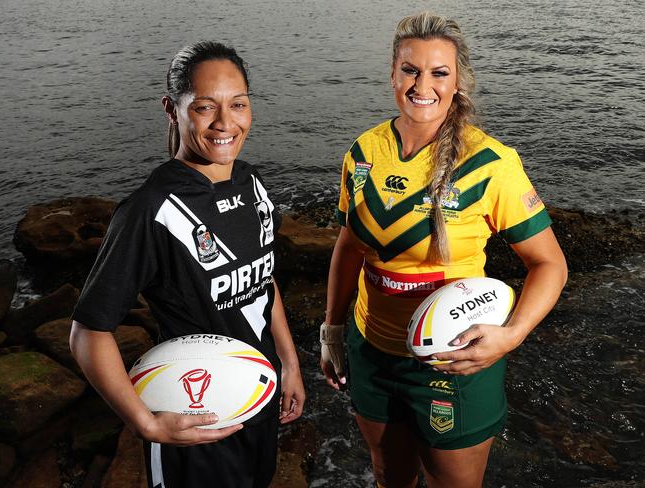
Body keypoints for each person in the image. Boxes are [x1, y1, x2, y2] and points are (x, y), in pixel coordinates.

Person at [320, 12, 567, 488]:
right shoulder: (362, 152)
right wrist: (333, 330)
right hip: (370, 351)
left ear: (458, 81)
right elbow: (349, 245)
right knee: (389, 476)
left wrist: (512, 335)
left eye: (439, 73)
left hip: (455, 360)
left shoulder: (491, 164)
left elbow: (549, 264)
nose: (422, 85)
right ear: (393, 73)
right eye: (410, 70)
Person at [70, 41, 305, 488]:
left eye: (238, 104)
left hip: (256, 397)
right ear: (171, 108)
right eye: (204, 107)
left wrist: (289, 364)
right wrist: (146, 423)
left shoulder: (252, 183)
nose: (225, 123)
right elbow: (88, 332)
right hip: (193, 417)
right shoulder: (150, 210)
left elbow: (262, 283)